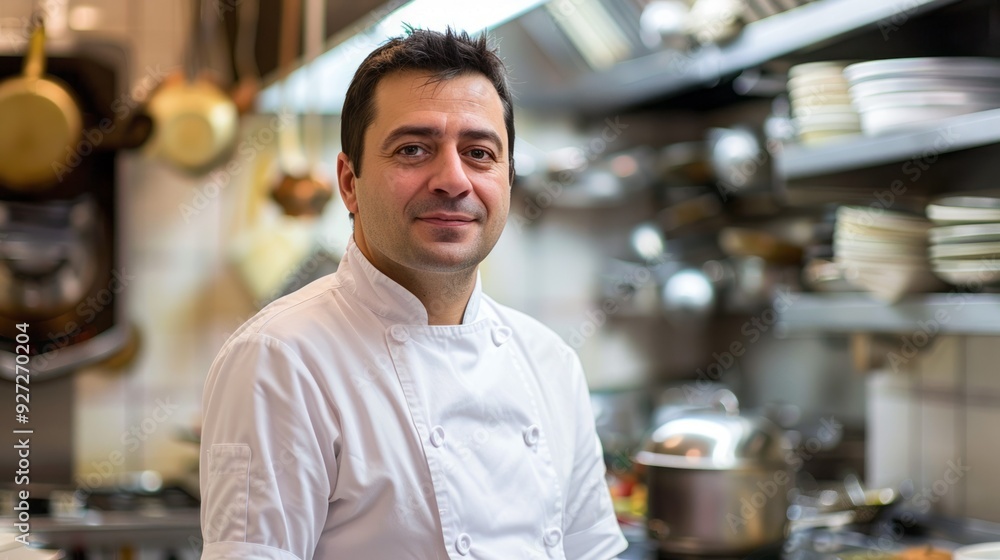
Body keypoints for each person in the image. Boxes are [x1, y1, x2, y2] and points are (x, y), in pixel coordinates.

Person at [199, 28, 628, 560]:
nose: (453, 179)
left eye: (479, 152)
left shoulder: (550, 362)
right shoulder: (280, 360)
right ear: (349, 182)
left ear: (508, 180)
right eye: (413, 149)